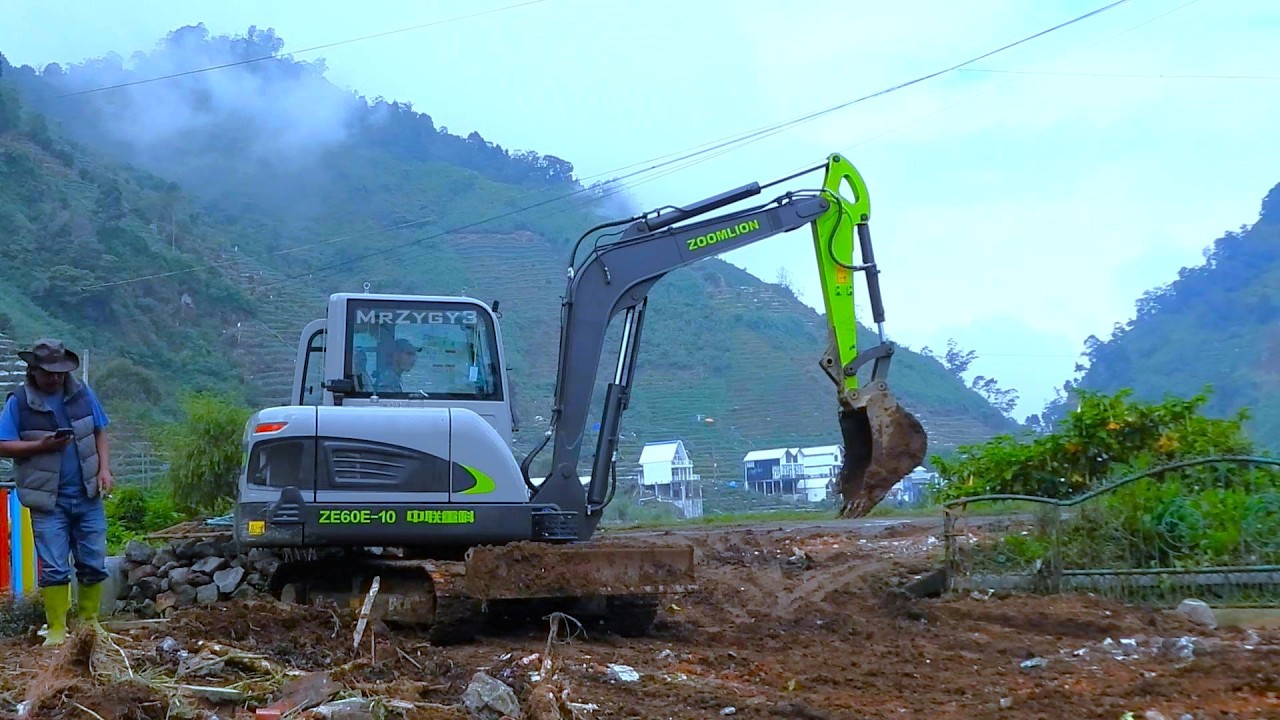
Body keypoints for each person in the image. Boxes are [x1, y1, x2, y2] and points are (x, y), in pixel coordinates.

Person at [0, 339, 113, 646]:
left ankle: (89, 622)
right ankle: (57, 628)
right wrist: (40, 446)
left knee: (92, 558)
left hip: (87, 493)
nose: (56, 378)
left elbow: (100, 429)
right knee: (53, 563)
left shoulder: (82, 394)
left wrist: (104, 469)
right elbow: (2, 443)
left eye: (60, 372)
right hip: (48, 498)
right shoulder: (19, 402)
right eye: (49, 373)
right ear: (33, 370)